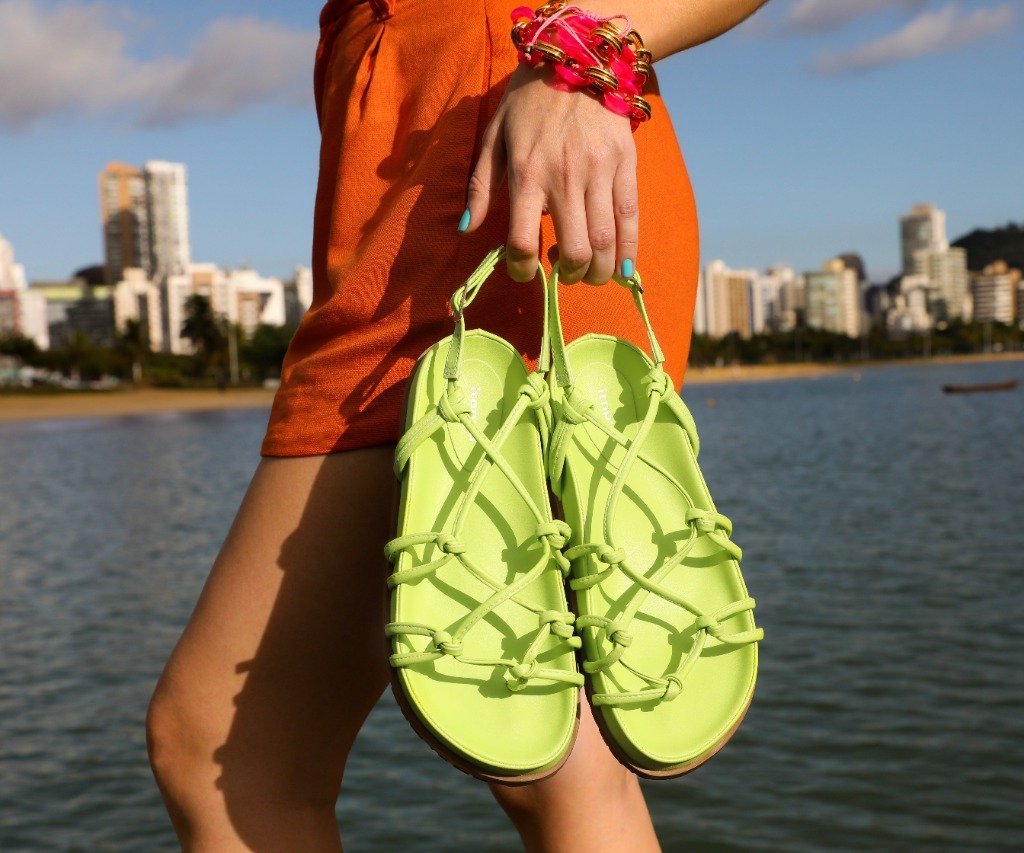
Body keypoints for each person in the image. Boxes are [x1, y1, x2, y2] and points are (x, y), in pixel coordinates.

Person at [145, 0, 766, 849]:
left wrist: (581, 54)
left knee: (229, 748)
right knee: (555, 757)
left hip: (500, 137)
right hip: (435, 140)